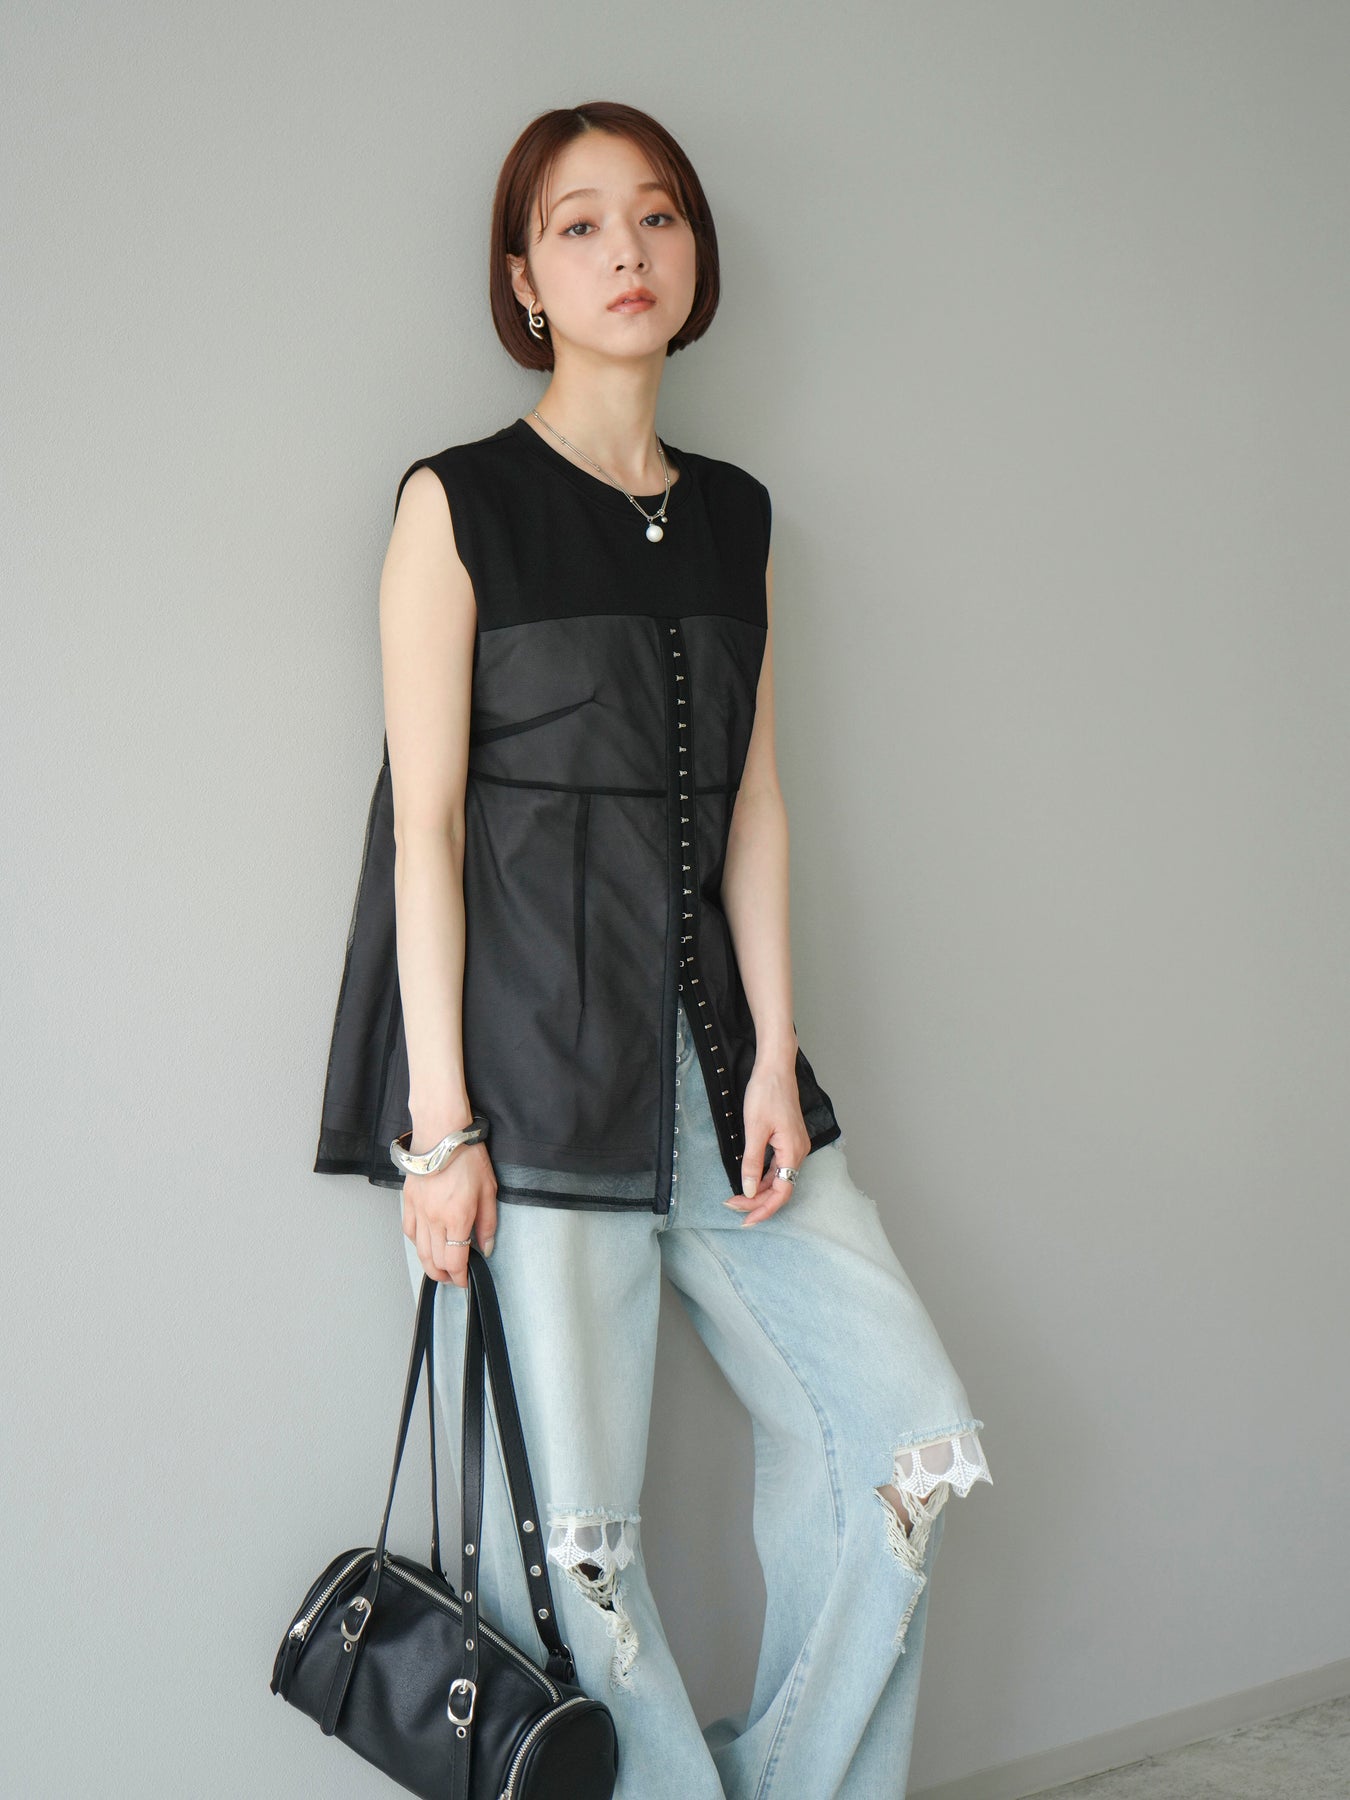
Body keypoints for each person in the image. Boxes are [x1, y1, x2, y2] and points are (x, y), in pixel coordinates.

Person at [313, 100, 992, 1800]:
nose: (627, 251)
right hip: (527, 1073)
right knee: (581, 1547)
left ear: (693, 254)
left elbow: (752, 802)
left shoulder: (739, 514)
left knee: (904, 1441)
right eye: (579, 224)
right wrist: (440, 1130)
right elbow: (422, 827)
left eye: (658, 216)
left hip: (711, 1057)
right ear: (523, 278)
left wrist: (772, 1052)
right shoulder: (456, 503)